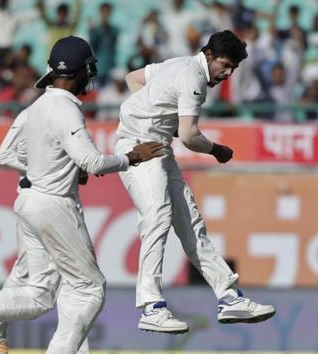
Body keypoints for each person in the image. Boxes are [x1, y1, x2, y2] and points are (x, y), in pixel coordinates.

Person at [0, 36, 165, 354]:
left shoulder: (36, 106)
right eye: (89, 69)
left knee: (38, 295)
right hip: (55, 205)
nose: (91, 76)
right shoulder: (67, 110)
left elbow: (6, 154)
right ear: (81, 70)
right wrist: (132, 157)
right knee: (90, 289)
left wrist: (48, 168)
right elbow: (92, 161)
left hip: (29, 202)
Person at [115, 30, 275, 334]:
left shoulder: (175, 64)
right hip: (137, 149)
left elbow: (134, 79)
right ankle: (150, 306)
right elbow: (189, 137)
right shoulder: (194, 79)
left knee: (190, 223)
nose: (227, 74)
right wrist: (217, 150)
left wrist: (154, 114)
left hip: (158, 148)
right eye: (225, 65)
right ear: (210, 55)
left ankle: (229, 297)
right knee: (157, 218)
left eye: (234, 69)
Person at [0, 107, 90, 354]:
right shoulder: (31, 114)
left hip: (60, 200)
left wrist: (74, 168)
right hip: (39, 201)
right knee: (34, 272)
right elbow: (4, 155)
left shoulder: (69, 112)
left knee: (67, 277)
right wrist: (45, 170)